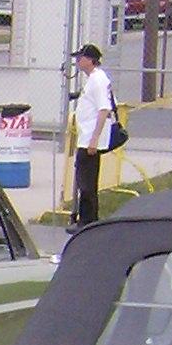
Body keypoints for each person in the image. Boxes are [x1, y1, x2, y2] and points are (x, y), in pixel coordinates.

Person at [70, 42, 115, 230]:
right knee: (84, 180)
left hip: (90, 138)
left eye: (80, 58)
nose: (78, 61)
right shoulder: (94, 79)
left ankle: (87, 221)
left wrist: (94, 139)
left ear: (90, 60)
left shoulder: (98, 80)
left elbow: (104, 109)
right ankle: (88, 218)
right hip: (86, 136)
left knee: (86, 181)